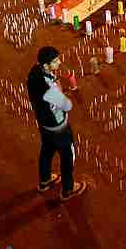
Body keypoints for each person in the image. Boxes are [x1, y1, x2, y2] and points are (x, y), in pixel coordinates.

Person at [26, 46, 86, 200]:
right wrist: (62, 89)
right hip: (58, 126)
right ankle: (68, 188)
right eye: (55, 61)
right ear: (46, 65)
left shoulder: (34, 73)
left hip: (44, 123)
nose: (59, 63)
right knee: (67, 156)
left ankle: (45, 180)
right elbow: (66, 105)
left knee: (47, 149)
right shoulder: (50, 88)